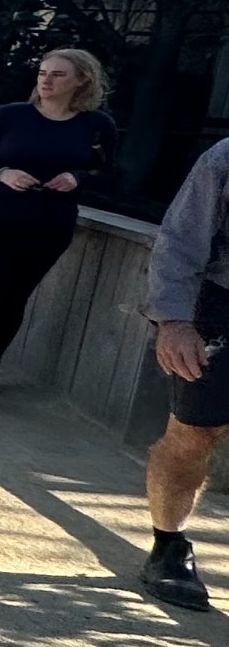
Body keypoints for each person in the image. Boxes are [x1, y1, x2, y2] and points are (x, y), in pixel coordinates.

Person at [0, 49, 118, 409]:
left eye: (57, 74)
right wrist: (1, 173)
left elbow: (113, 175)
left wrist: (78, 177)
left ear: (81, 80)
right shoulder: (7, 116)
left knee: (15, 297)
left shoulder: (97, 125)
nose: (46, 80)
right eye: (42, 72)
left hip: (48, 221)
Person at [138, 136, 229, 612]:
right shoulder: (225, 158)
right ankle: (168, 546)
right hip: (220, 303)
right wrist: (173, 322)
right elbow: (179, 242)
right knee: (195, 434)